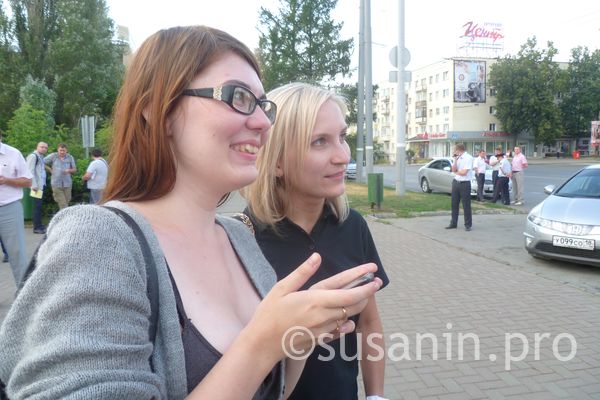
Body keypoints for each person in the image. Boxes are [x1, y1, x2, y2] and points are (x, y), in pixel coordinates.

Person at [0, 26, 382, 400]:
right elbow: (257, 352)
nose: (264, 122)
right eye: (238, 97)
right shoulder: (98, 241)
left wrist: (296, 338)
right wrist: (263, 342)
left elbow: (273, 390)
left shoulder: (239, 239)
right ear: (159, 111)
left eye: (263, 106)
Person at [242, 83, 390, 400]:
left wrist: (376, 396)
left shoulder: (353, 227)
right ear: (276, 161)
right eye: (319, 141)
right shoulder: (242, 238)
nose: (343, 156)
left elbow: (369, 323)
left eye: (342, 137)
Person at [0, 130, 33, 287]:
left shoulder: (13, 153)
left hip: (9, 208)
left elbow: (28, 181)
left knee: (17, 253)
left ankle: (24, 294)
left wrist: (6, 180)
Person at [446, 143, 473, 231]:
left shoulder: (468, 158)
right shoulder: (457, 157)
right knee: (454, 204)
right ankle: (453, 223)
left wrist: (456, 172)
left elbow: (464, 172)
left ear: (458, 150)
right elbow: (453, 169)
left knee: (466, 204)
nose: (453, 151)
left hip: (465, 183)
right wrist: (455, 159)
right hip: (456, 182)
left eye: (454, 150)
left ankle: (468, 224)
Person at [44, 143, 76, 209]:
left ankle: (62, 214)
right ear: (57, 150)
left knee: (66, 201)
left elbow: (74, 169)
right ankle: (66, 215)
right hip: (56, 183)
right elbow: (42, 162)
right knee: (63, 203)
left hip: (67, 183)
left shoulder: (70, 157)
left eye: (64, 150)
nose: (62, 152)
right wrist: (49, 169)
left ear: (66, 150)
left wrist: (69, 170)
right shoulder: (53, 156)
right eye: (60, 150)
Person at [26, 141, 49, 233]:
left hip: (41, 185)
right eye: (42, 147)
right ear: (37, 147)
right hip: (36, 186)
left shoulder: (40, 157)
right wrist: (33, 185)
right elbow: (29, 171)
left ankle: (39, 225)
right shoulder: (33, 156)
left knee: (39, 206)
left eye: (45, 147)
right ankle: (37, 228)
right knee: (37, 206)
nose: (44, 149)